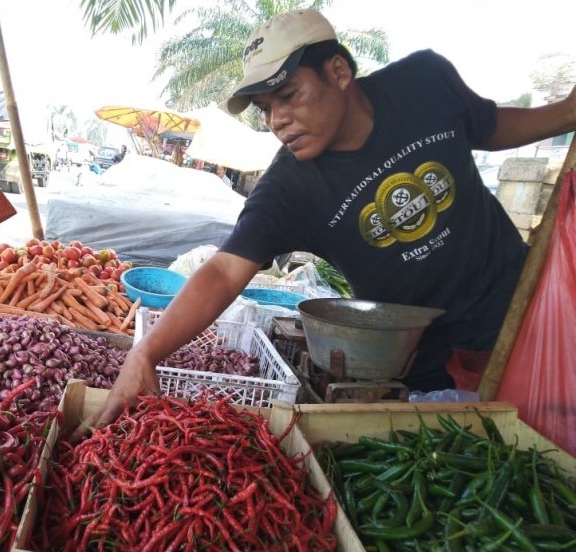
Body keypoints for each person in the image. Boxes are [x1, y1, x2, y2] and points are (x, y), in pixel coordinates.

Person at [77, 9, 576, 435]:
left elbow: (487, 127)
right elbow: (225, 271)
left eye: (288, 95)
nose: (276, 121)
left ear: (338, 71)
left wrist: (566, 113)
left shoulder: (424, 83)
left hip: (526, 309)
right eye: (266, 109)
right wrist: (147, 352)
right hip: (432, 359)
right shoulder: (289, 188)